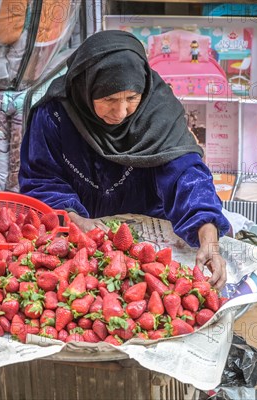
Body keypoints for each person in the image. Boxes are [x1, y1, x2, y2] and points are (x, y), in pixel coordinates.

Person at [18, 30, 230, 289]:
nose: (120, 112)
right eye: (109, 99)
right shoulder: (54, 116)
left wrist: (208, 237)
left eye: (131, 98)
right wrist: (75, 220)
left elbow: (186, 176)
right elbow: (41, 180)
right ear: (85, 88)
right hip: (78, 242)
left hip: (148, 245)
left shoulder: (158, 112)